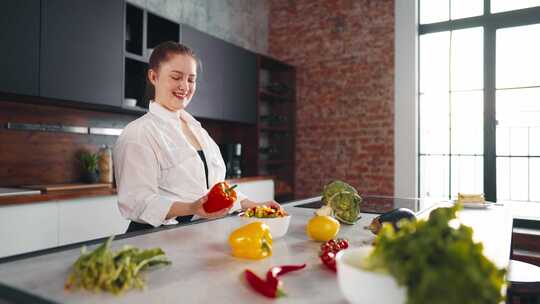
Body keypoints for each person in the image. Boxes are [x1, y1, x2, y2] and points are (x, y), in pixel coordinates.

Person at [114, 41, 280, 233]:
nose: (184, 86)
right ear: (153, 76)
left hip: (195, 233)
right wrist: (192, 208)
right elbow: (136, 201)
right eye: (176, 77)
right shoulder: (138, 133)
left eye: (191, 79)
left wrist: (254, 205)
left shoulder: (198, 131)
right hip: (154, 238)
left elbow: (217, 189)